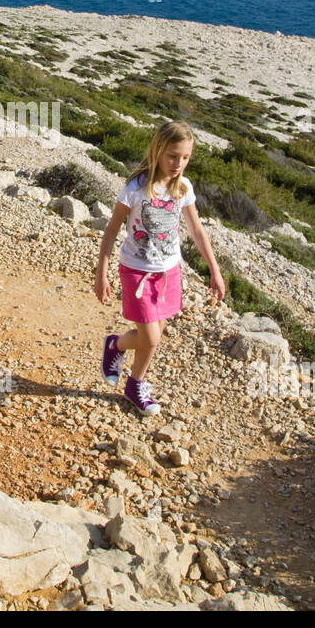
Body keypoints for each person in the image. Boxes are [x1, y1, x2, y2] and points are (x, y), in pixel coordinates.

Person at [94, 121, 226, 415]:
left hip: (169, 272)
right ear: (157, 151)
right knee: (150, 337)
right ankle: (116, 347)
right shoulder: (136, 189)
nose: (178, 163)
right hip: (137, 271)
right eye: (172, 156)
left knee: (153, 336)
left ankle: (134, 382)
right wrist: (101, 272)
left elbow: (197, 231)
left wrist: (214, 271)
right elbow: (112, 231)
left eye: (185, 157)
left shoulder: (184, 188)